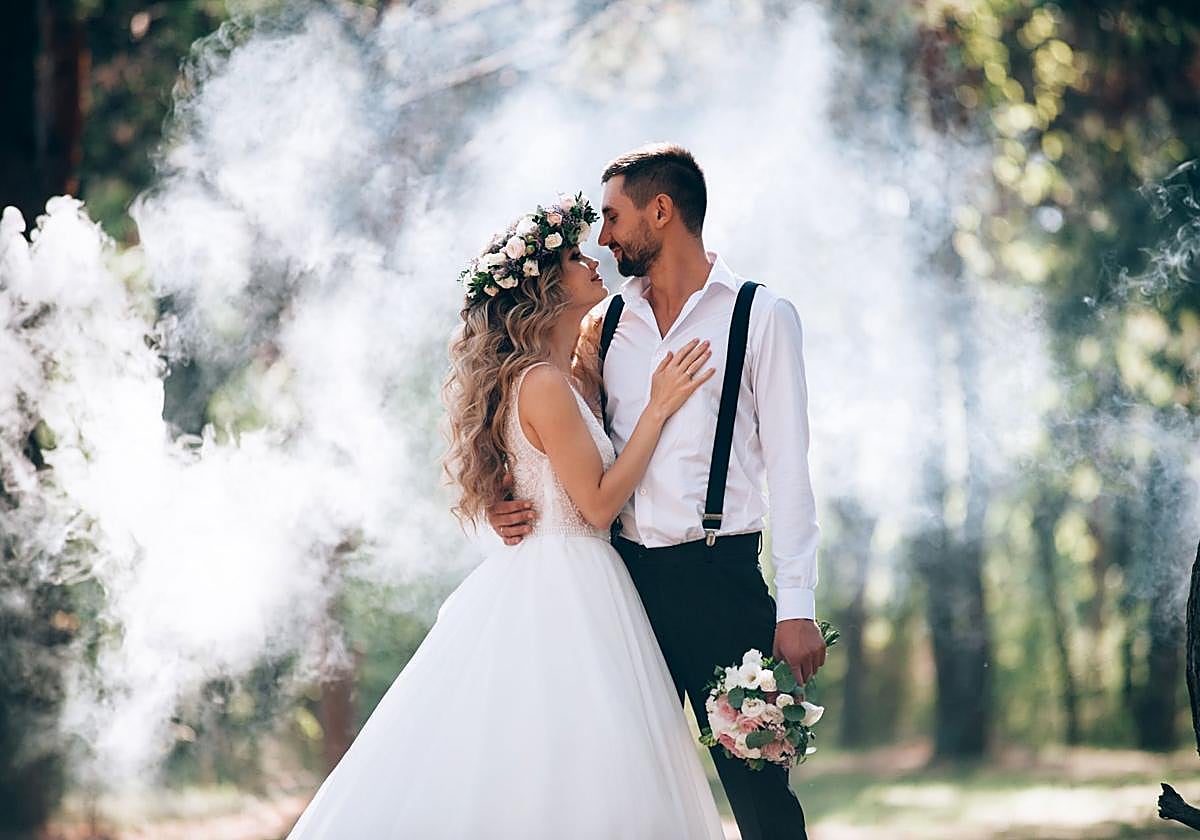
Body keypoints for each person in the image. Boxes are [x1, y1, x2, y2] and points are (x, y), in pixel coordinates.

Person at [285, 193, 725, 839]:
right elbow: (598, 503)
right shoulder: (541, 383)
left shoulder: (568, 374)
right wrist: (658, 409)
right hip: (566, 580)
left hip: (578, 573)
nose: (594, 261)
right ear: (546, 287)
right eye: (575, 258)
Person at [488, 144, 824, 840]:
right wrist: (509, 497)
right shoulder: (603, 324)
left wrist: (797, 605)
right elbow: (551, 435)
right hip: (624, 589)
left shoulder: (760, 316)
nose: (603, 239)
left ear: (661, 210)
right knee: (619, 797)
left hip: (722, 583)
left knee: (762, 801)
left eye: (613, 218)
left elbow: (791, 472)